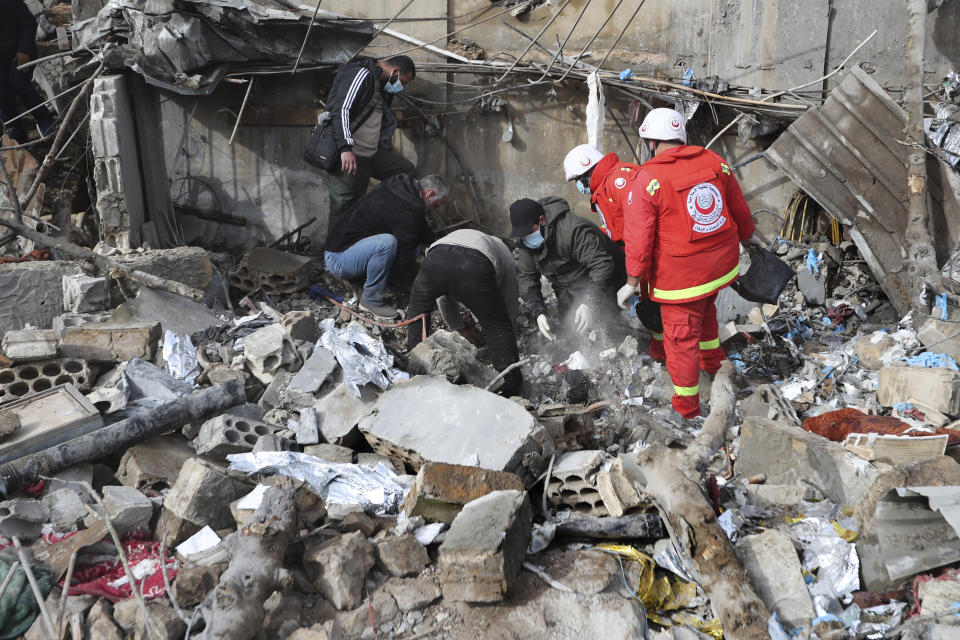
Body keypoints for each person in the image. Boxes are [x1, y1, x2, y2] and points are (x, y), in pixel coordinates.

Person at [616, 107, 761, 418]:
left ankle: (687, 409)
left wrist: (631, 282)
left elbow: (638, 238)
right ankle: (715, 366)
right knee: (706, 310)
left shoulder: (647, 179)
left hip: (681, 279)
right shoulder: (715, 161)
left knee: (680, 340)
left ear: (651, 143)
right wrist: (749, 239)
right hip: (720, 267)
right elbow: (738, 206)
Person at [563, 142, 666, 360]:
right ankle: (660, 352)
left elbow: (640, 225)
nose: (579, 187)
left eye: (578, 180)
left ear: (587, 171)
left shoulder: (618, 181)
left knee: (662, 309)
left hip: (653, 255)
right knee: (654, 307)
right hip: (640, 254)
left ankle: (670, 353)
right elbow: (618, 224)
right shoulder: (606, 184)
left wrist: (632, 279)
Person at [405, 229, 523, 396]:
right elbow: (508, 302)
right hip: (472, 265)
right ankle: (511, 389)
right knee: (498, 327)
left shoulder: (471, 237)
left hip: (434, 261)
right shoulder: (505, 255)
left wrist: (458, 327)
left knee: (418, 316)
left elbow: (443, 296)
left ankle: (415, 373)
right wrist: (505, 334)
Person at [324, 174, 447, 319]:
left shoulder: (401, 186)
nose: (434, 210)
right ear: (429, 194)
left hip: (346, 248)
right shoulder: (408, 210)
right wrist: (418, 284)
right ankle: (371, 300)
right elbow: (404, 255)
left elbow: (418, 225)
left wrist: (436, 242)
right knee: (387, 244)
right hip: (339, 258)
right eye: (436, 205)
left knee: (408, 239)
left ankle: (362, 281)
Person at [510, 197, 625, 341]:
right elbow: (527, 278)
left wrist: (588, 302)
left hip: (605, 276)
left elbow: (601, 265)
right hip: (566, 282)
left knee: (606, 325)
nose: (526, 237)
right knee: (571, 328)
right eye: (522, 235)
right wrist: (538, 312)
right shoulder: (527, 243)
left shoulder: (571, 229)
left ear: (542, 220)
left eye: (529, 231)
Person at [325, 54, 417, 222]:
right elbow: (341, 111)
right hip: (349, 154)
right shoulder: (361, 74)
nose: (401, 87)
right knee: (343, 206)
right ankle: (334, 248)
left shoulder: (381, 86)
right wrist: (345, 148)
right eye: (402, 82)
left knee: (404, 171)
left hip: (370, 154)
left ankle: (377, 214)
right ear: (395, 71)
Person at [0, 0, 55, 143]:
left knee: (17, 81)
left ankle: (46, 121)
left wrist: (24, 50)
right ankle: (16, 137)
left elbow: (28, 22)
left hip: (20, 54)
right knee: (3, 95)